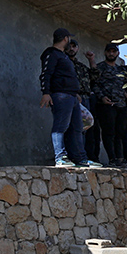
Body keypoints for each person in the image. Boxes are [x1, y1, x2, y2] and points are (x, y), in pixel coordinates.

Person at [39, 28, 93, 167]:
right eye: (69, 38)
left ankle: (81, 158)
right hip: (61, 96)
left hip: (72, 97)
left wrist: (75, 94)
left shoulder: (64, 56)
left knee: (76, 128)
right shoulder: (51, 54)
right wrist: (46, 92)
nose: (69, 41)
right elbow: (46, 73)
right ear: (65, 39)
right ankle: (60, 157)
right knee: (60, 126)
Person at [93, 43, 127, 166]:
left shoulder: (121, 70)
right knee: (109, 132)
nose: (111, 53)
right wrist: (102, 97)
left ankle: (120, 158)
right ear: (105, 53)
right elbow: (94, 84)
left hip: (121, 105)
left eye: (114, 51)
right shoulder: (100, 68)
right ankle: (112, 159)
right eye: (109, 51)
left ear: (118, 53)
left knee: (120, 133)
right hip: (106, 105)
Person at [66, 39, 100, 163]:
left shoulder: (81, 66)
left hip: (86, 99)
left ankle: (83, 157)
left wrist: (91, 60)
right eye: (69, 46)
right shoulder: (63, 62)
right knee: (72, 128)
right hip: (72, 98)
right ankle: (73, 156)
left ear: (77, 49)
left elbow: (95, 77)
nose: (71, 49)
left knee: (85, 129)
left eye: (74, 46)